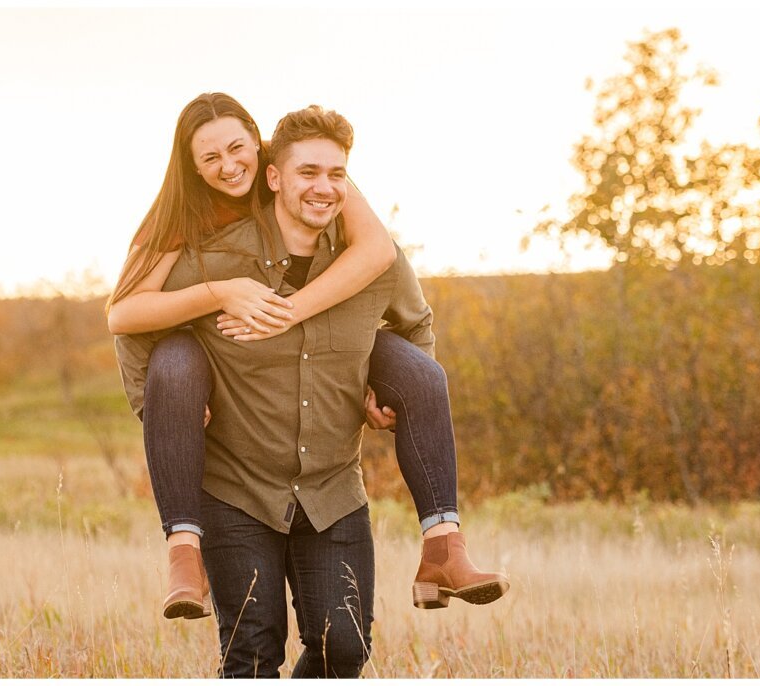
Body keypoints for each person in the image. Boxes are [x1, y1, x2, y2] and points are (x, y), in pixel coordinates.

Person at [108, 94, 507, 624]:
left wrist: (297, 319)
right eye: (209, 158)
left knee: (419, 371)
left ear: (259, 143)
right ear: (192, 166)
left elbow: (379, 254)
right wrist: (167, 398)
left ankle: (443, 549)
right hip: (239, 473)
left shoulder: (312, 172)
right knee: (176, 361)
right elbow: (128, 315)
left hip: (330, 472)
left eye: (236, 148)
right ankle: (184, 552)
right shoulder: (187, 224)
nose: (229, 167)